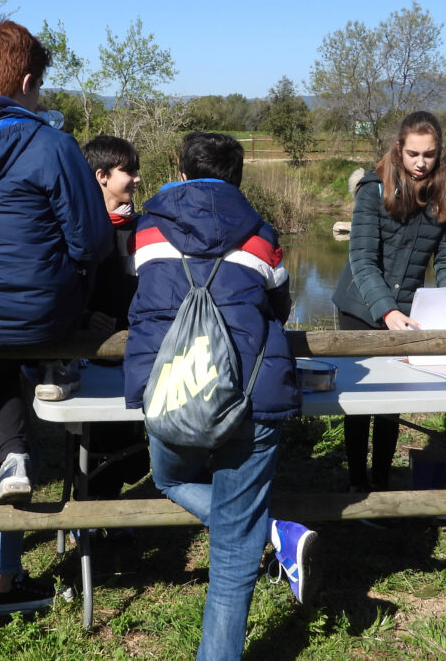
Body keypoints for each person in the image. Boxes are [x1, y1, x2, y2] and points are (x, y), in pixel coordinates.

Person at [0, 20, 113, 613]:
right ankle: (60, 371)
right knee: (71, 297)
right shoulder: (50, 144)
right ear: (29, 81)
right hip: (47, 314)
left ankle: (13, 450)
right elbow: (90, 241)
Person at [124, 131, 318, 659]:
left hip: (170, 391)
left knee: (167, 476)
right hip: (252, 395)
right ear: (237, 178)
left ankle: (266, 529)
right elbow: (279, 305)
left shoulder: (147, 230)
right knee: (233, 554)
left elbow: (140, 292)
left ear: (181, 173)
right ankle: (267, 530)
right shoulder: (261, 234)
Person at [331, 110, 446, 493]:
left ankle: (382, 482)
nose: (420, 163)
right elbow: (361, 258)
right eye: (413, 154)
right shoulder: (372, 189)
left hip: (408, 312)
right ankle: (357, 485)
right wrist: (386, 310)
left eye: (428, 155)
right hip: (360, 308)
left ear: (439, 153)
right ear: (399, 149)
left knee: (391, 401)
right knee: (360, 403)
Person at [78, 135, 149, 509]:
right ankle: (88, 513)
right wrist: (86, 317)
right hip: (89, 353)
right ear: (102, 176)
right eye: (129, 171)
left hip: (135, 349)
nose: (137, 179)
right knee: (94, 437)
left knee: (129, 437)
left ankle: (111, 507)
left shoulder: (143, 228)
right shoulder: (79, 229)